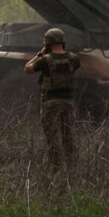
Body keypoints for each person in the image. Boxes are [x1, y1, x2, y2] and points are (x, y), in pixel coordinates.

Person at [24, 28, 80, 168]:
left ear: (47, 42)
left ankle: (57, 167)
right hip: (68, 101)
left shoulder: (45, 60)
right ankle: (72, 165)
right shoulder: (73, 58)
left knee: (52, 136)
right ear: (63, 41)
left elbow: (28, 68)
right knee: (68, 135)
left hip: (51, 102)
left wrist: (39, 54)